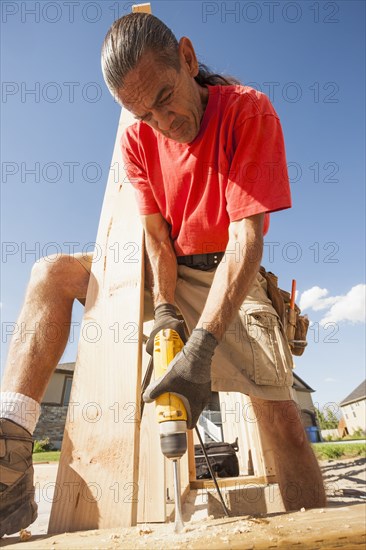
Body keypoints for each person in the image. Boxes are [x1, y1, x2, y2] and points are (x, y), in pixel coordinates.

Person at [0, 12, 326, 538]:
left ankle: (313, 535)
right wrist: (166, 312)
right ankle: (8, 458)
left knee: (282, 418)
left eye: (166, 96)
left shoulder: (248, 110)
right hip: (159, 272)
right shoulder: (138, 138)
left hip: (228, 271)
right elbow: (155, 238)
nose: (163, 121)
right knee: (50, 273)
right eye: (144, 113)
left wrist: (199, 349)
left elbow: (246, 238)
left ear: (189, 59)